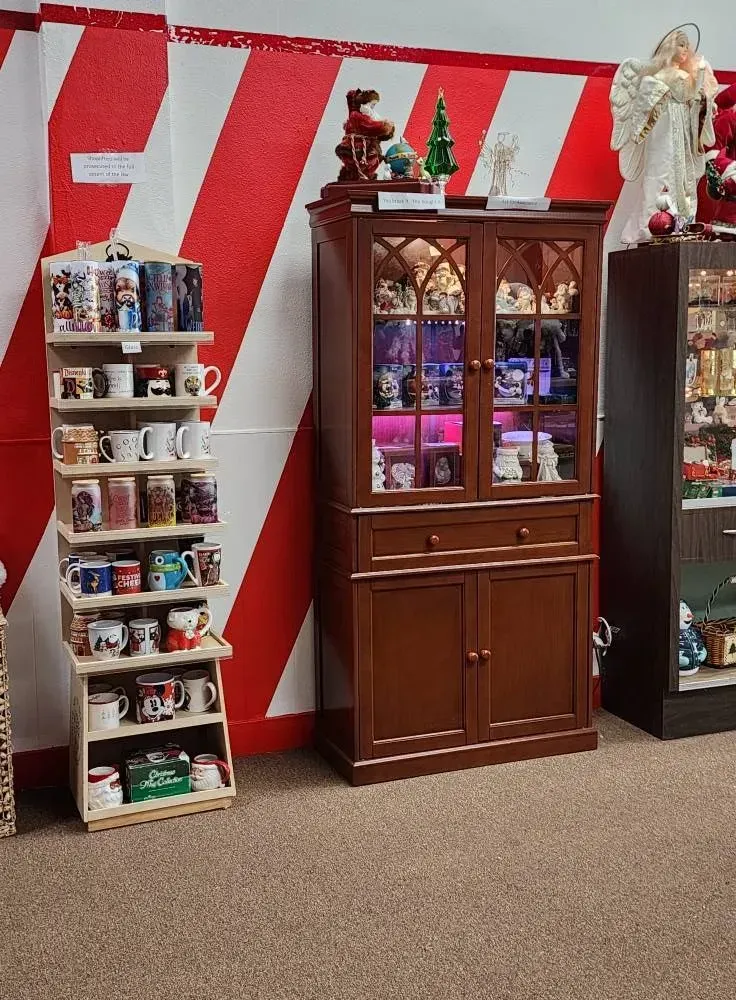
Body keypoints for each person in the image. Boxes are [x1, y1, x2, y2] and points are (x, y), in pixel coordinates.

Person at [610, 25, 718, 243]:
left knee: (684, 180)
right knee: (658, 176)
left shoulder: (687, 77)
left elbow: (695, 104)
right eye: (680, 44)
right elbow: (643, 112)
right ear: (669, 47)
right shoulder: (654, 79)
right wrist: (667, 94)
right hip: (663, 135)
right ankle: (653, 225)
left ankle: (683, 225)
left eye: (687, 45)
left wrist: (701, 99)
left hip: (683, 138)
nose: (685, 49)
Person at [335, 89, 395, 182]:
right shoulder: (358, 116)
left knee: (363, 165)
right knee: (367, 162)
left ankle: (359, 176)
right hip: (358, 148)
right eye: (372, 105)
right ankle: (361, 177)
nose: (372, 108)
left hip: (358, 147)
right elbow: (370, 126)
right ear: (364, 104)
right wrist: (385, 126)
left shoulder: (357, 114)